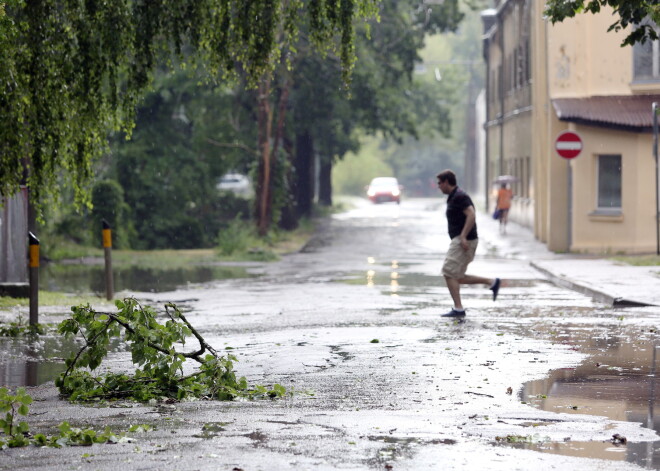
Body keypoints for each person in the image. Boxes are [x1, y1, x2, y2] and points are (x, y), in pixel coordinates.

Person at [436, 170, 500, 318]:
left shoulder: (460, 196)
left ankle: (458, 309)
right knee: (456, 276)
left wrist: (463, 236)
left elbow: (471, 214)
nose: (438, 186)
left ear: (446, 182)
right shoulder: (454, 196)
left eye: (440, 183)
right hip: (460, 239)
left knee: (448, 272)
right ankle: (492, 282)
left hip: (464, 240)